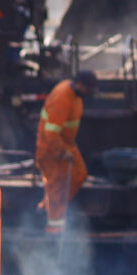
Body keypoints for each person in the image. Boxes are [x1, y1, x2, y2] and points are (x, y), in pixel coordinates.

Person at [36, 70, 98, 234]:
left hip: (66, 144)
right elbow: (51, 133)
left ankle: (47, 207)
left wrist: (66, 149)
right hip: (51, 148)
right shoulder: (62, 98)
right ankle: (54, 229)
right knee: (57, 187)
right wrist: (62, 152)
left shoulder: (75, 96)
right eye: (88, 89)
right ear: (80, 85)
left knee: (79, 175)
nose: (90, 93)